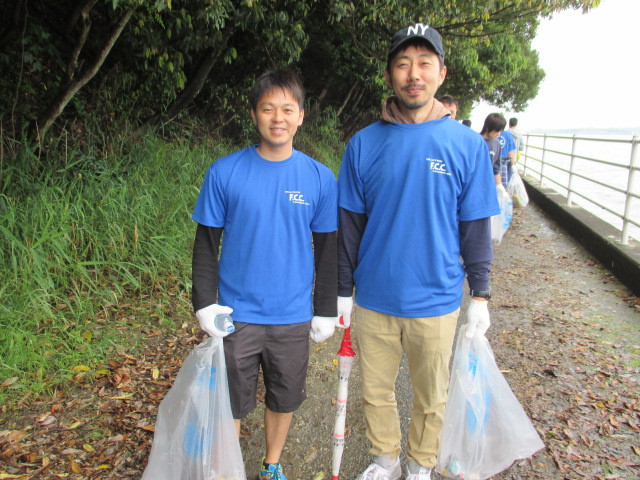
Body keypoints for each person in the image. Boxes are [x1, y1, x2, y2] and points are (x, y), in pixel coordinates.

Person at [336, 23, 500, 480]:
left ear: (441, 73)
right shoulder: (363, 143)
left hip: (438, 298)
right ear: (390, 76)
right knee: (375, 390)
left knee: (433, 395)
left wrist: (481, 294)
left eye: (424, 63)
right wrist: (341, 289)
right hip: (374, 297)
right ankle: (384, 458)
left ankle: (421, 464)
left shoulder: (466, 145)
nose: (414, 74)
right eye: (403, 64)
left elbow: (475, 228)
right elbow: (350, 224)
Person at [191, 68, 339, 480]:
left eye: (287, 109)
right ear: (255, 114)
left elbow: (328, 250)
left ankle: (271, 465)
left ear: (301, 116)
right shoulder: (225, 172)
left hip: (292, 315)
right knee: (231, 400)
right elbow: (206, 243)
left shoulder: (319, 178)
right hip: (236, 315)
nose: (278, 118)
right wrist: (205, 303)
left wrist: (325, 309)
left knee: (284, 396)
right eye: (268, 108)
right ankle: (227, 468)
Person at [481, 113, 507, 187]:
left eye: (500, 131)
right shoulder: (476, 141)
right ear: (488, 127)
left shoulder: (497, 144)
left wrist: (499, 186)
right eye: (496, 131)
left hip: (488, 183)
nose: (498, 134)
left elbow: (496, 168)